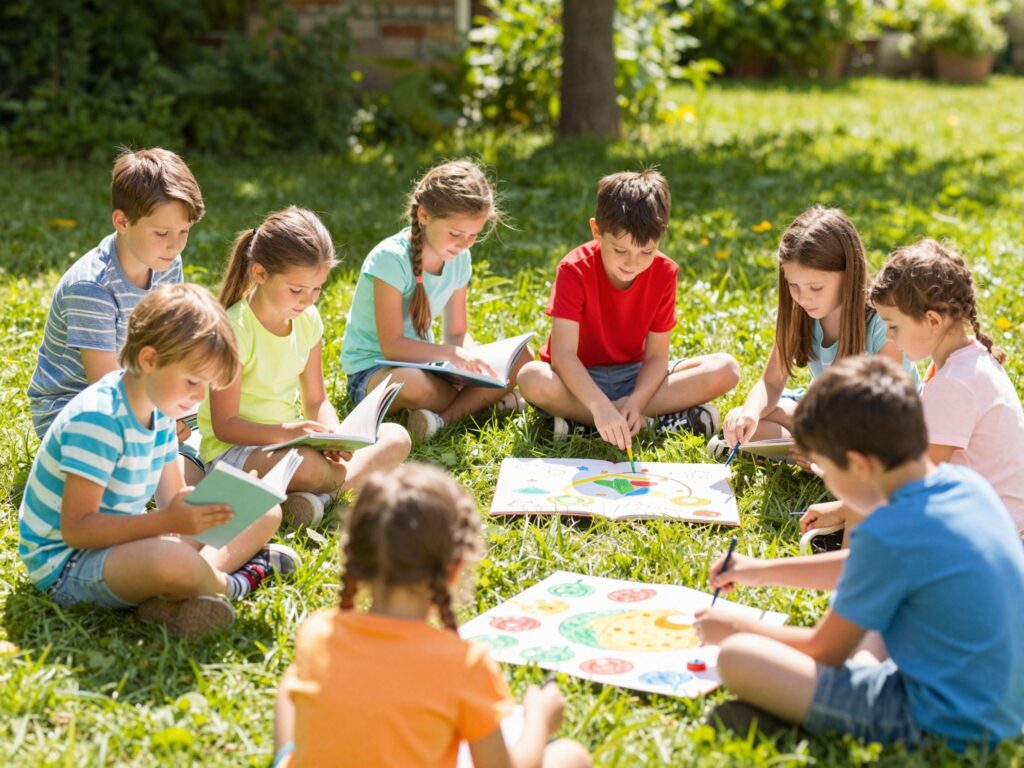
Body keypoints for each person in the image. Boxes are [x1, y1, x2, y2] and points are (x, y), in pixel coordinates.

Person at [694, 356, 1024, 751]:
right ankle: (834, 690)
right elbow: (865, 568)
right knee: (862, 615)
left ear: (858, 465)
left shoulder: (888, 531)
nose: (826, 482)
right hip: (1002, 704)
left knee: (738, 657)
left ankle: (807, 718)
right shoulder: (963, 484)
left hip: (941, 721)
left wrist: (732, 628)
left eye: (825, 471)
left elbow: (823, 651)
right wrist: (760, 570)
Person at [19, 284, 299, 639]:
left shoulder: (161, 410)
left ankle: (181, 595)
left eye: (207, 387)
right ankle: (234, 585)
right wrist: (167, 521)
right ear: (149, 360)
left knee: (267, 511)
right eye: (192, 382)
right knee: (171, 561)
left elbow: (175, 498)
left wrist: (235, 498)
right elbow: (78, 528)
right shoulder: (99, 420)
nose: (199, 398)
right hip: (69, 566)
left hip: (122, 548)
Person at [272, 464, 592, 768]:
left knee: (291, 684)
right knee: (569, 756)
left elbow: (294, 695)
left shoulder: (318, 632)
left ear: (355, 556)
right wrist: (539, 717)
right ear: (454, 569)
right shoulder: (464, 666)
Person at [199, 207, 411, 528]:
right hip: (235, 452)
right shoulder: (234, 329)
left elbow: (316, 400)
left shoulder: (307, 320)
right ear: (260, 274)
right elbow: (224, 425)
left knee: (397, 437)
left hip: (290, 445)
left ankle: (312, 500)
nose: (308, 300)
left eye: (317, 289)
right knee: (309, 468)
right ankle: (329, 491)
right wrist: (290, 433)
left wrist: (335, 438)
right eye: (296, 290)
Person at [803, 239, 1024, 536]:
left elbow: (911, 483)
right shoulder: (967, 361)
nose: (890, 339)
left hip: (993, 537)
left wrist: (844, 507)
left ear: (932, 320)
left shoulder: (955, 384)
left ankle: (851, 565)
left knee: (869, 515)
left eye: (893, 327)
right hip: (986, 521)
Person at [27, 146, 208, 492]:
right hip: (78, 411)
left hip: (146, 391)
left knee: (221, 420)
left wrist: (177, 406)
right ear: (122, 221)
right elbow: (105, 389)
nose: (175, 246)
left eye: (183, 232)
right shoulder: (91, 287)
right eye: (161, 233)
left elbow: (170, 346)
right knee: (161, 468)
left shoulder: (165, 263)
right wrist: (162, 419)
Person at [517, 169, 739, 449]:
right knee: (532, 378)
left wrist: (636, 401)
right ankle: (643, 422)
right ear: (597, 231)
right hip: (579, 378)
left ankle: (588, 423)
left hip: (635, 376)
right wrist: (599, 405)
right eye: (620, 250)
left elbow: (657, 357)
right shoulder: (574, 269)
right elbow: (563, 357)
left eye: (646, 251)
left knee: (726, 368)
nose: (632, 263)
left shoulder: (665, 272)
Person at [340, 159, 531, 442]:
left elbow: (456, 332)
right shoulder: (389, 259)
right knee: (414, 384)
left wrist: (473, 362)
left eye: (473, 236)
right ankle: (480, 404)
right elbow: (392, 347)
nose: (464, 244)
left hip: (430, 366)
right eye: (455, 234)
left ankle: (439, 419)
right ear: (424, 215)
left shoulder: (459, 259)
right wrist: (451, 356)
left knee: (521, 360)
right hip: (374, 373)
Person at [714, 206, 918, 465]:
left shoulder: (881, 319)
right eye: (793, 285)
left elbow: (884, 408)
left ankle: (814, 451)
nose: (804, 298)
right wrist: (750, 414)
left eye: (816, 287)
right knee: (746, 423)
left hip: (882, 421)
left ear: (849, 273)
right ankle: (808, 449)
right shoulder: (799, 313)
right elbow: (772, 382)